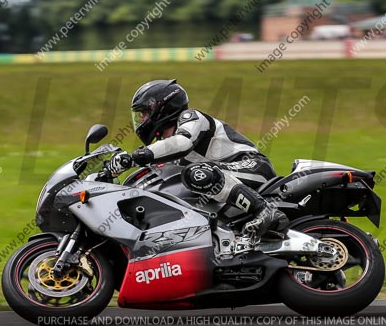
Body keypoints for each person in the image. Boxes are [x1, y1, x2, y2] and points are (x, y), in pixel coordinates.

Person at [106, 79, 287, 241]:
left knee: (196, 173)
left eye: (144, 113)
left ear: (161, 107)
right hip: (228, 176)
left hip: (253, 166)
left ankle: (264, 210)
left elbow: (182, 143)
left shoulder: (191, 118)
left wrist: (134, 157)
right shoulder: (164, 146)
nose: (142, 119)